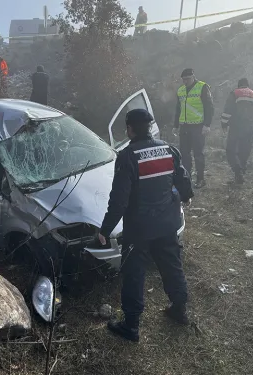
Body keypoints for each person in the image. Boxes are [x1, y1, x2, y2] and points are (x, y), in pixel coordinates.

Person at [98, 109, 194, 343]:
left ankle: (130, 326)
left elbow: (119, 199)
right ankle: (179, 309)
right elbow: (181, 177)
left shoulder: (128, 155)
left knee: (134, 274)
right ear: (150, 127)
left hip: (139, 229)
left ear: (130, 129)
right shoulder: (168, 149)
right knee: (172, 264)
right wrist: (186, 194)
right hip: (167, 223)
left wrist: (105, 229)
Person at [174, 68, 214, 189]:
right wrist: (175, 125)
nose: (185, 82)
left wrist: (207, 125)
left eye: (187, 79)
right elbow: (178, 109)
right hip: (184, 127)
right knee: (184, 154)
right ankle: (187, 178)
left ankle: (200, 179)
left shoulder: (202, 87)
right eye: (183, 80)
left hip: (198, 126)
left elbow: (209, 107)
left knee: (198, 154)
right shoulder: (180, 90)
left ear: (193, 77)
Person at [221, 78, 253, 185]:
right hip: (249, 128)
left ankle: (237, 171)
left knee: (231, 151)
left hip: (236, 126)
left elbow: (227, 110)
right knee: (244, 150)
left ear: (239, 85)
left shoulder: (235, 93)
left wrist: (224, 124)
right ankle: (241, 173)